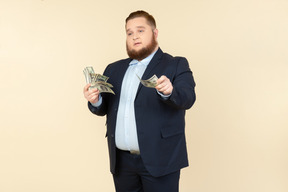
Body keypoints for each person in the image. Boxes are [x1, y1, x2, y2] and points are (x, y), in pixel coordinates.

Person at [83, 10, 196, 192]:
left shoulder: (175, 64)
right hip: (122, 163)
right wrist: (95, 100)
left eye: (141, 30)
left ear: (155, 33)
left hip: (160, 161)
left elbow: (188, 98)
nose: (135, 36)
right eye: (129, 33)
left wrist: (169, 92)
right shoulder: (113, 69)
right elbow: (104, 107)